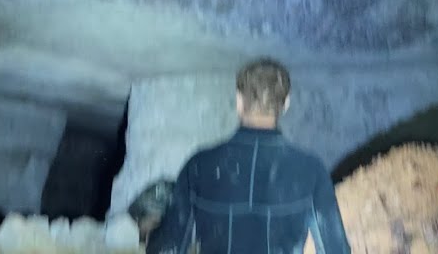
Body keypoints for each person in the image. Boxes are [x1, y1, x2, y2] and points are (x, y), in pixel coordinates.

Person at [145, 58, 352, 254]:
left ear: (238, 101)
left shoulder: (199, 165)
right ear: (286, 103)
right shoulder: (311, 170)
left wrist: (150, 233)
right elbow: (335, 249)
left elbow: (168, 248)